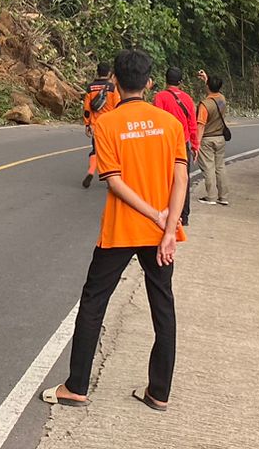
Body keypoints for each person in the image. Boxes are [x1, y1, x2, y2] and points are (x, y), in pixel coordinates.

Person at [43, 48, 186, 413]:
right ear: (150, 83)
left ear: (116, 83)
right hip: (160, 235)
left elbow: (116, 183)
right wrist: (168, 228)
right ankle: (159, 393)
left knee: (93, 303)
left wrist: (154, 215)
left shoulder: (106, 124)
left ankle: (76, 387)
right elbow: (181, 176)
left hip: (123, 230)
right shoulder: (169, 124)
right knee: (163, 308)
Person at [152, 66, 199, 225]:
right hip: (182, 144)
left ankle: (163, 212)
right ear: (181, 82)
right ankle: (183, 216)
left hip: (164, 145)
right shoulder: (187, 99)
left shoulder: (160, 97)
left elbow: (156, 121)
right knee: (182, 180)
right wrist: (195, 146)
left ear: (166, 80)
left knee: (164, 179)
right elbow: (192, 124)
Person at [81, 63, 119, 188]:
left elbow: (87, 109)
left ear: (97, 72)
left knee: (96, 150)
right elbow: (118, 106)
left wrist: (87, 124)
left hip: (96, 125)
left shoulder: (90, 88)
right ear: (109, 73)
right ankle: (111, 180)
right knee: (111, 153)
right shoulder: (112, 88)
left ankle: (91, 171)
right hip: (111, 125)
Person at [195, 76, 229, 206]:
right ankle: (223, 196)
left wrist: (196, 144)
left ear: (207, 86)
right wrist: (207, 79)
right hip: (220, 138)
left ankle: (211, 196)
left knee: (209, 167)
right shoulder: (222, 100)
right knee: (220, 167)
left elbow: (201, 125)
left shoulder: (205, 105)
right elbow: (214, 90)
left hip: (207, 139)